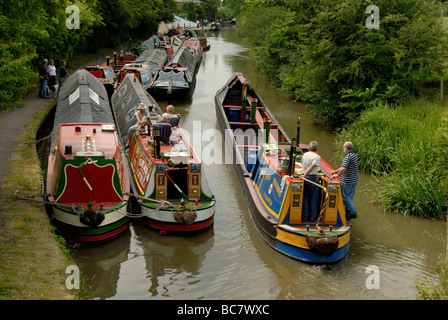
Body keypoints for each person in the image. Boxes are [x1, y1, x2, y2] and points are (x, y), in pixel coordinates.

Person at [332, 141, 359, 220]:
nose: (343, 148)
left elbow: (344, 168)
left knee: (344, 197)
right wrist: (336, 171)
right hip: (354, 180)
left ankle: (353, 212)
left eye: (343, 146)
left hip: (347, 181)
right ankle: (348, 215)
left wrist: (337, 175)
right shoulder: (354, 155)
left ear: (346, 148)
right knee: (350, 198)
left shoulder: (348, 157)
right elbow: (343, 166)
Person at [301, 141, 321, 221]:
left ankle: (305, 216)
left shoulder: (305, 154)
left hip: (304, 178)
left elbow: (302, 163)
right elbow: (312, 167)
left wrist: (303, 175)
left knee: (305, 197)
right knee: (313, 197)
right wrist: (305, 175)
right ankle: (313, 217)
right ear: (317, 149)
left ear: (309, 148)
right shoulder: (317, 157)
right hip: (312, 178)